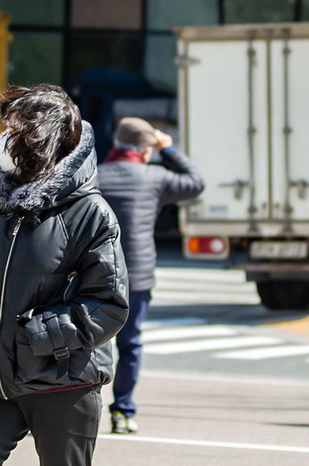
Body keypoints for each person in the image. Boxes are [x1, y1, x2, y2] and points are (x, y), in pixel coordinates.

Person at [0, 84, 129, 465]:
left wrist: (39, 335)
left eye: (16, 131)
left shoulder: (91, 214)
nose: (4, 140)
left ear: (42, 141)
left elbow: (108, 303)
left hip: (62, 383)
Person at [98, 117, 205, 434]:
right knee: (130, 345)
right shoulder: (156, 177)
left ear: (117, 145)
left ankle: (65, 408)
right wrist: (168, 150)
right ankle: (123, 411)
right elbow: (195, 182)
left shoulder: (96, 176)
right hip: (138, 278)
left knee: (83, 344)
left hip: (95, 273)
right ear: (146, 151)